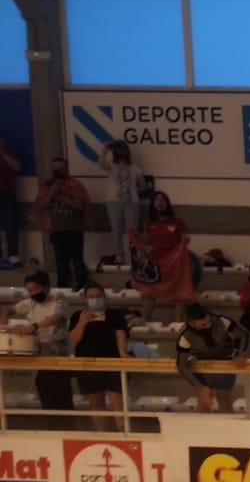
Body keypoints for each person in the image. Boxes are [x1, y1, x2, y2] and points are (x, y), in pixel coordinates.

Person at [66, 282, 129, 423]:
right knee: (96, 404)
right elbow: (75, 338)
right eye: (91, 297)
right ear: (85, 299)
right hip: (87, 364)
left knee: (118, 402)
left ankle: (124, 433)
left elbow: (120, 334)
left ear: (104, 296)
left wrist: (123, 353)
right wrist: (82, 322)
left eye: (98, 296)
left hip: (112, 362)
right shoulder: (77, 315)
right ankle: (102, 433)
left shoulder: (115, 314)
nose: (95, 299)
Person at [11, 272, 70, 416]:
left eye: (35, 289)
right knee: (43, 386)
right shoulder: (29, 303)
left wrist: (35, 326)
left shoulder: (60, 301)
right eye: (29, 290)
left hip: (57, 352)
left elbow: (57, 317)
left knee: (60, 389)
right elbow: (11, 309)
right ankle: (51, 420)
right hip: (39, 352)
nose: (33, 293)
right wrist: (4, 317)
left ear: (46, 287)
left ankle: (66, 421)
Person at [133, 190, 196, 322]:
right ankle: (145, 319)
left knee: (178, 293)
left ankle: (178, 324)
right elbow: (148, 240)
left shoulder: (177, 221)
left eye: (163, 200)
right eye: (157, 200)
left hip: (175, 261)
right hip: (156, 261)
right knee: (150, 292)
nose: (160, 203)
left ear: (167, 203)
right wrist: (136, 236)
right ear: (153, 204)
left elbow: (184, 238)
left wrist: (185, 240)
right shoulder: (150, 222)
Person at [175, 302, 247, 413]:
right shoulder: (185, 335)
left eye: (209, 322)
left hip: (225, 359)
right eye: (203, 325)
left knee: (223, 397)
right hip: (200, 363)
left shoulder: (220, 320)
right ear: (192, 323)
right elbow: (181, 364)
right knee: (203, 400)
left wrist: (241, 354)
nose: (208, 326)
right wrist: (199, 386)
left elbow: (243, 334)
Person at [37, 157, 89, 291]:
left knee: (77, 260)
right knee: (61, 262)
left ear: (66, 169)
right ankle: (62, 289)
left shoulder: (75, 184)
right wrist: (52, 193)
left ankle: (83, 287)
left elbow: (79, 205)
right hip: (56, 229)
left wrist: (60, 195)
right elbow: (41, 205)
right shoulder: (46, 185)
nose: (57, 171)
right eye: (54, 168)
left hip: (74, 229)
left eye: (60, 168)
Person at [98, 141, 148, 266]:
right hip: (114, 202)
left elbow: (144, 185)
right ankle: (119, 256)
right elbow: (101, 165)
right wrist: (104, 152)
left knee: (133, 230)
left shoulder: (135, 168)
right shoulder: (111, 165)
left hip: (132, 202)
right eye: (118, 150)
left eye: (123, 149)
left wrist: (134, 190)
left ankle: (134, 255)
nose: (121, 152)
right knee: (116, 229)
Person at [0, 132, 20, 262]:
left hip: (7, 193)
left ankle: (13, 254)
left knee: (10, 225)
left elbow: (17, 167)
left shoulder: (10, 153)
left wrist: (3, 154)